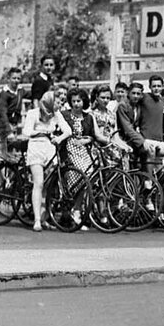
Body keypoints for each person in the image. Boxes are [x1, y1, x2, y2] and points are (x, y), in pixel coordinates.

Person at [21, 91, 71, 232]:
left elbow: (68, 130)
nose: (59, 104)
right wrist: (41, 133)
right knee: (39, 183)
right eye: (56, 101)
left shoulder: (56, 114)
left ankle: (44, 217)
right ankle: (36, 219)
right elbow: (26, 131)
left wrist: (59, 138)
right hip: (36, 147)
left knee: (49, 185)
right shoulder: (33, 113)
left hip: (50, 148)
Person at [61, 88, 109, 228]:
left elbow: (97, 135)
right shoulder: (65, 115)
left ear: (84, 102)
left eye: (79, 101)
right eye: (74, 101)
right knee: (80, 173)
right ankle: (72, 208)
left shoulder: (89, 117)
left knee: (90, 174)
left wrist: (109, 142)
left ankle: (76, 208)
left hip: (84, 149)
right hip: (68, 147)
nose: (76, 104)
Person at [0, 67, 25, 160]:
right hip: (4, 126)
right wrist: (8, 131)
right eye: (14, 78)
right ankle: (1, 172)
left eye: (18, 78)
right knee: (3, 153)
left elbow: (31, 94)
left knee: (14, 152)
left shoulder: (20, 91)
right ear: (8, 79)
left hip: (15, 124)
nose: (16, 81)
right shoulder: (4, 93)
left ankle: (13, 173)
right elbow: (2, 113)